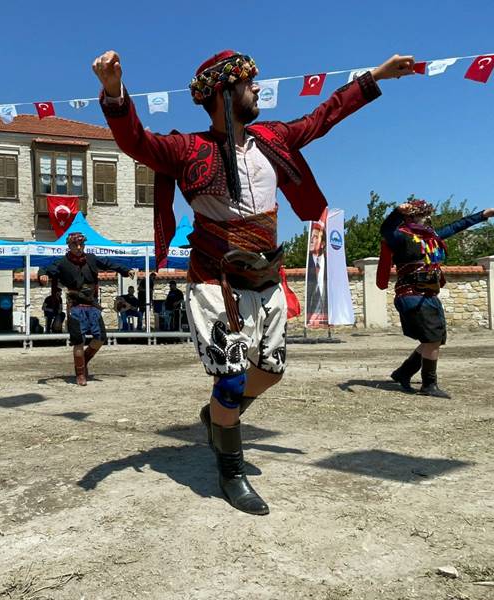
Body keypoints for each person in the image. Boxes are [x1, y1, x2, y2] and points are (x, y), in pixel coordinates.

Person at [94, 48, 415, 514]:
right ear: (224, 94)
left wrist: (376, 76)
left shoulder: (274, 139)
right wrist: (113, 92)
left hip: (266, 277)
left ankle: (218, 419)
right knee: (230, 381)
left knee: (271, 371)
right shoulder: (188, 150)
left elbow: (324, 116)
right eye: (249, 84)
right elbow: (137, 141)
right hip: (214, 282)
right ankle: (231, 470)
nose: (258, 89)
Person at [379, 200, 494, 398]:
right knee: (432, 340)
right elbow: (386, 229)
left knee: (436, 339)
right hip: (411, 295)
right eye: (423, 215)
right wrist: (396, 212)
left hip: (429, 295)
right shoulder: (399, 237)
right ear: (411, 217)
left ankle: (403, 373)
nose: (427, 218)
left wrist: (482, 215)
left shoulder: (431, 237)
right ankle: (428, 385)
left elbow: (455, 226)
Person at [42, 232, 133, 386]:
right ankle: (80, 374)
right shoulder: (62, 262)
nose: (79, 248)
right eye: (75, 245)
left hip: (92, 305)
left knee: (100, 338)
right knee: (78, 341)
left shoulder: (91, 258)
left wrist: (125, 270)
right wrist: (42, 275)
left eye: (81, 245)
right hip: (75, 307)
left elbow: (109, 263)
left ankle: (82, 362)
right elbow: (46, 269)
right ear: (69, 246)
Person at [305, 221, 328, 326]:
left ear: (323, 244)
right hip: (311, 317)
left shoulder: (329, 264)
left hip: (325, 316)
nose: (312, 240)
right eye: (311, 237)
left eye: (315, 237)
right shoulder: (308, 264)